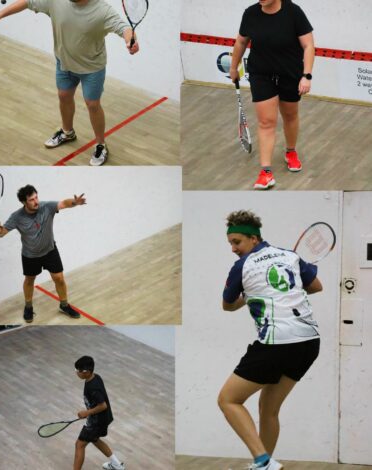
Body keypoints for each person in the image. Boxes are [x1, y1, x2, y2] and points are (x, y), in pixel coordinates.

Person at [218, 210, 322, 470]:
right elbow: (316, 286)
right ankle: (265, 465)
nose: (233, 248)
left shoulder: (243, 266)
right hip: (309, 342)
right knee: (268, 408)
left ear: (254, 239)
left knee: (228, 400)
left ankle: (263, 461)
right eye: (230, 243)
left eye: (237, 242)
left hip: (277, 343)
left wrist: (250, 297)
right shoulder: (291, 255)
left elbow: (227, 305)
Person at [0, 0, 139, 166]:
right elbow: (27, 2)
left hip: (92, 68)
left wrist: (130, 41)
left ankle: (101, 145)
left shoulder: (103, 11)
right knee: (63, 96)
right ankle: (67, 133)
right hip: (64, 64)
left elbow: (125, 29)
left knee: (93, 104)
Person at [229, 0, 314, 189]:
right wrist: (234, 67)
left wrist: (306, 76)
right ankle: (265, 172)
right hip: (261, 74)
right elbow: (242, 40)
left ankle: (290, 152)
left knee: (290, 115)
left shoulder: (294, 12)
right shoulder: (250, 13)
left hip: (290, 73)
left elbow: (308, 45)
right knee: (266, 122)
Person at [0, 184, 85, 322]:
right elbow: (2, 233)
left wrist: (74, 203)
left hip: (50, 250)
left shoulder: (46, 207)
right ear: (24, 202)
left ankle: (64, 305)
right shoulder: (17, 217)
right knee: (30, 280)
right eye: (31, 200)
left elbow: (63, 204)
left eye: (36, 197)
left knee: (59, 278)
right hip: (30, 255)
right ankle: (28, 307)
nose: (36, 201)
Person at [73, 356, 124, 470]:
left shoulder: (93, 387)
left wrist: (87, 412)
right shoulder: (95, 378)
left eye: (78, 371)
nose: (77, 373)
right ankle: (116, 465)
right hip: (100, 419)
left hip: (96, 422)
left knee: (79, 445)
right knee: (94, 440)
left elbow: (103, 405)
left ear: (86, 372)